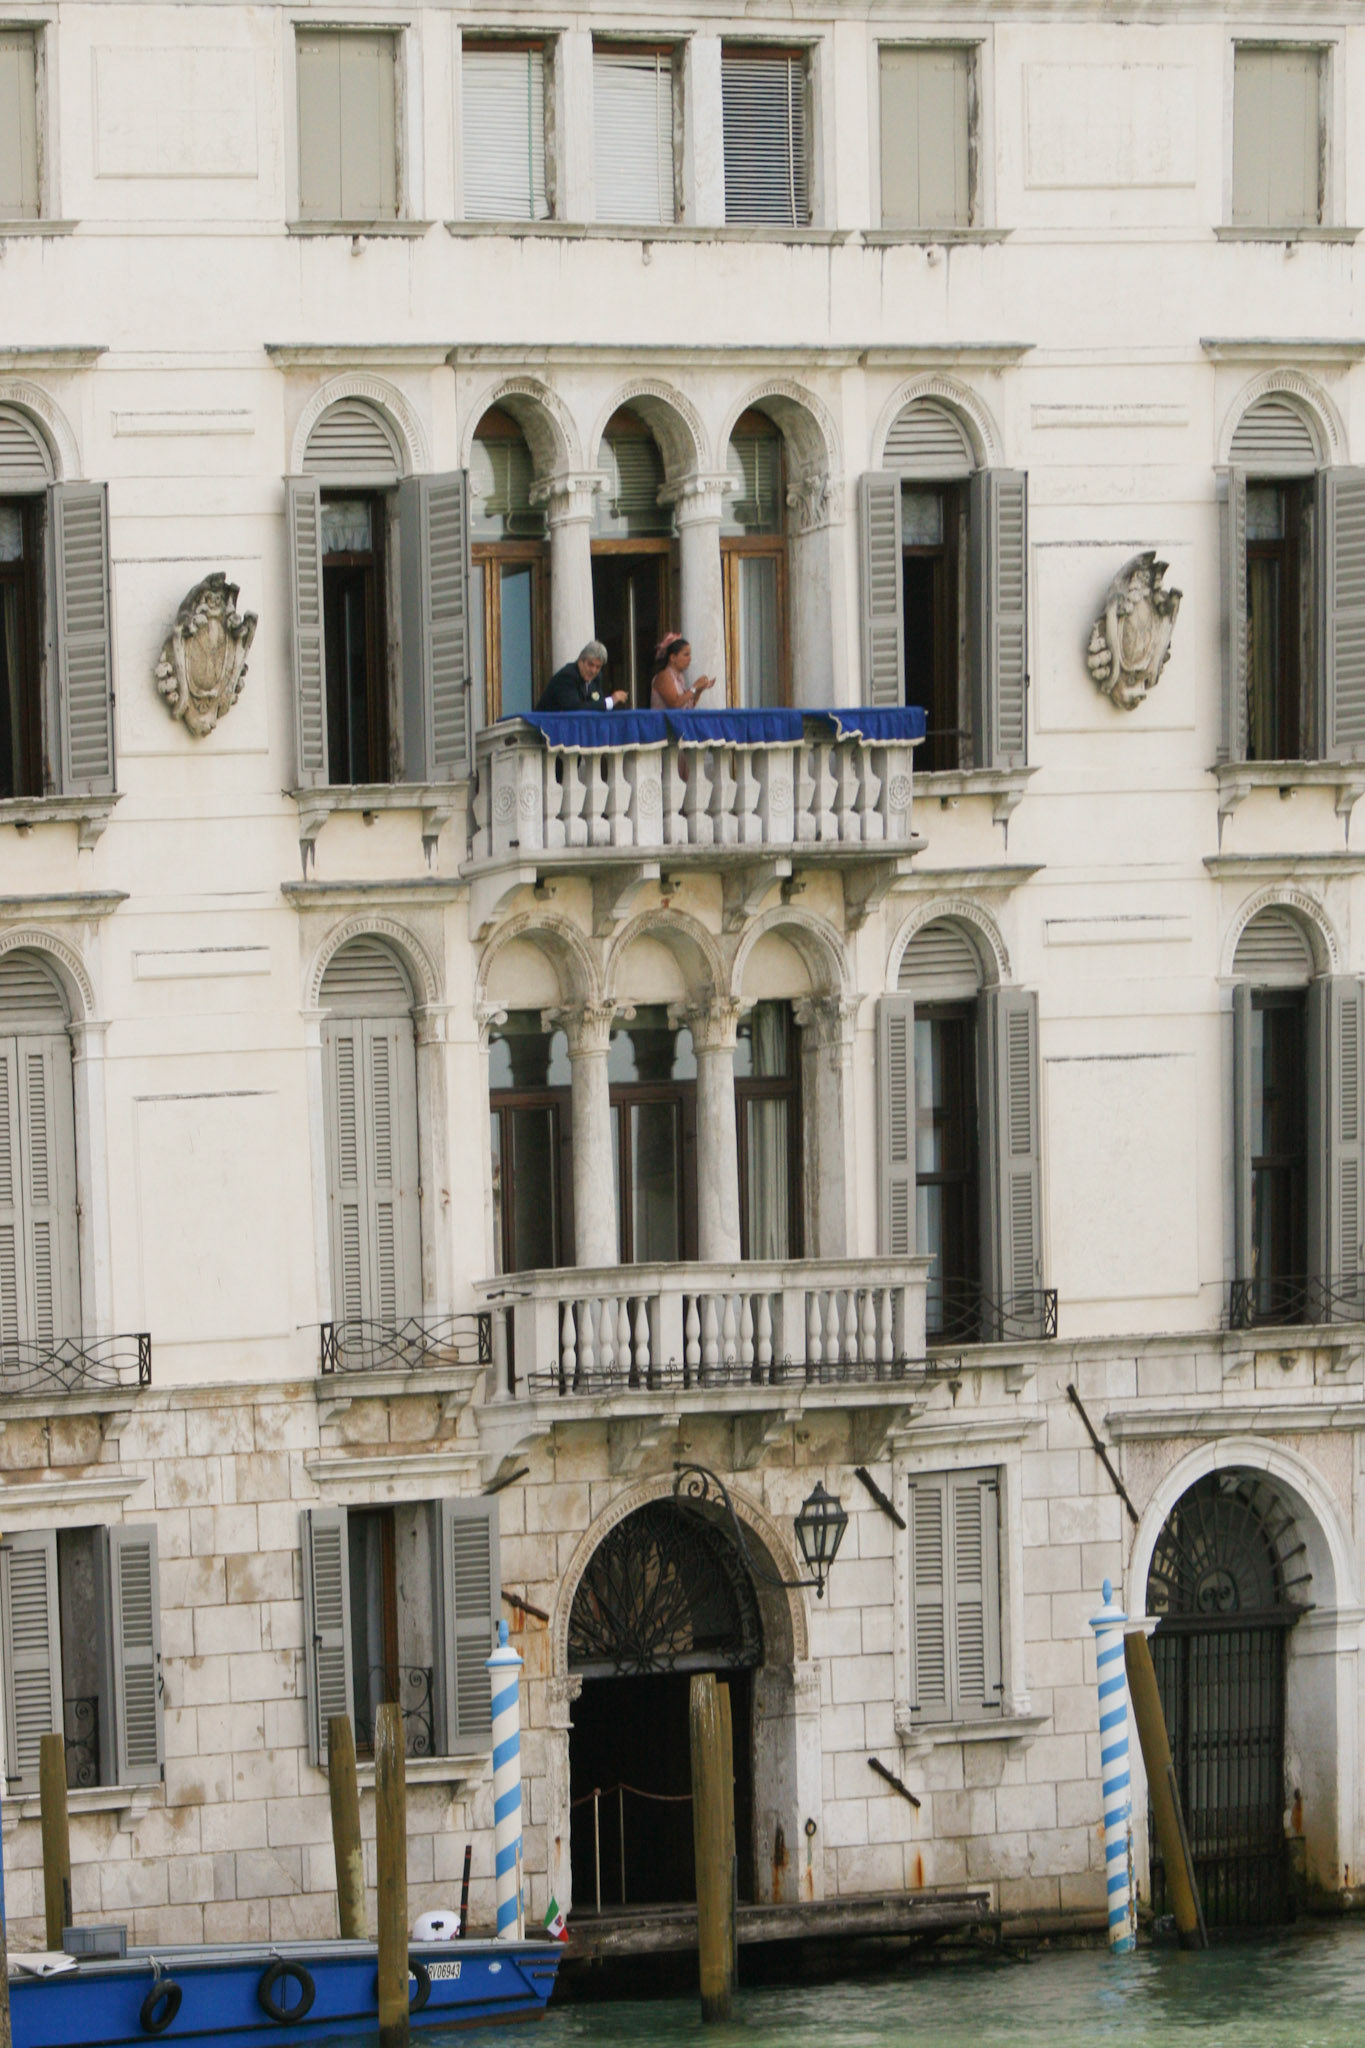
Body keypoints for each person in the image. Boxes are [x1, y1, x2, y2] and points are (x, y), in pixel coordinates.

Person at [536, 641, 626, 713]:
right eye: (590, 665)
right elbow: (575, 708)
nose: (593, 670)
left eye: (598, 667)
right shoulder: (567, 675)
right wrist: (610, 701)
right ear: (580, 661)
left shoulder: (597, 677)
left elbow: (597, 705)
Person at [649, 633, 717, 710]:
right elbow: (675, 704)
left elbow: (688, 706)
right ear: (673, 657)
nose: (690, 658)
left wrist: (699, 689)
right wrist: (695, 686)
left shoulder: (679, 677)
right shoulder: (664, 676)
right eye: (686, 655)